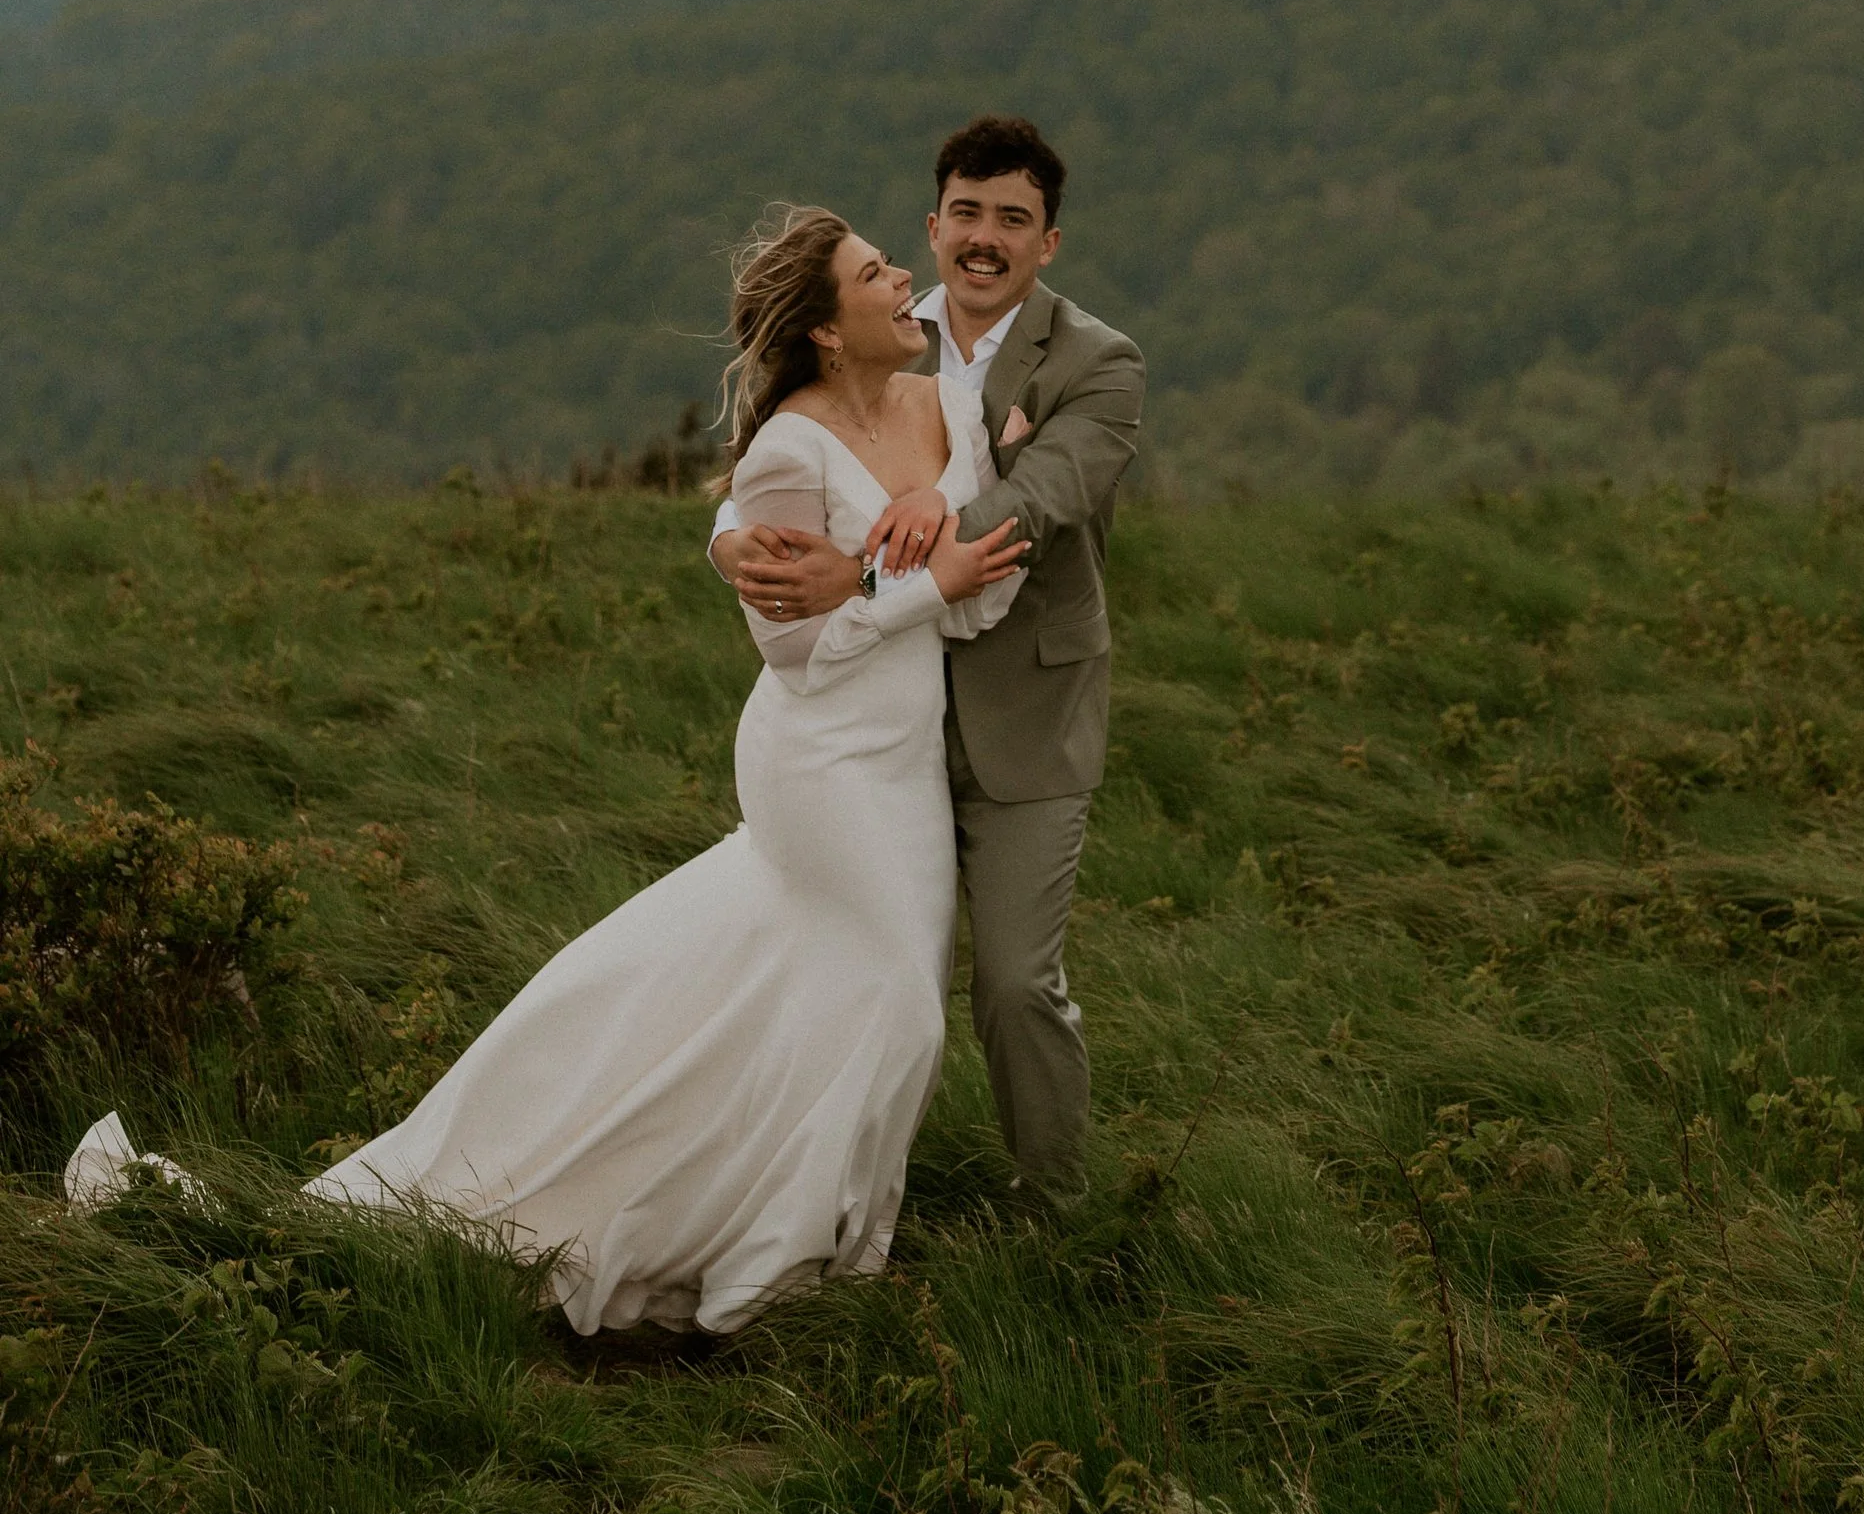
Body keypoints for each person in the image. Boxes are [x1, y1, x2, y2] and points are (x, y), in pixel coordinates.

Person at [69, 202, 1028, 1335]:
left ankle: (796, 1242)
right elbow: (797, 648)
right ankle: (771, 1274)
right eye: (876, 273)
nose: (903, 280)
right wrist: (917, 585)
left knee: (825, 1005)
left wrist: (954, 544)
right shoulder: (788, 447)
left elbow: (991, 567)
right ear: (824, 330)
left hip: (908, 767)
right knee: (903, 1010)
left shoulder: (946, 404)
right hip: (821, 763)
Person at [710, 113, 1143, 1209]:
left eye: (1014, 219)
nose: (983, 238)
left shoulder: (1099, 363)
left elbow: (1043, 499)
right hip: (872, 733)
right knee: (860, 977)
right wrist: (729, 545)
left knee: (1008, 982)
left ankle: (1055, 1210)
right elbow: (778, 449)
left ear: (1050, 242)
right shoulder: (883, 324)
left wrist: (875, 559)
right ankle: (809, 1188)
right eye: (965, 214)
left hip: (1025, 717)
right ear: (934, 223)